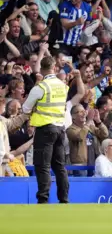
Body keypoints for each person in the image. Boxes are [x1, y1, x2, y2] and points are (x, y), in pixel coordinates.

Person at [21, 56, 70, 203]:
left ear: (41, 69)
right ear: (54, 67)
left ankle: (43, 198)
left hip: (45, 129)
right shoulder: (63, 85)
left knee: (42, 165)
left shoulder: (40, 87)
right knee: (60, 167)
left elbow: (25, 108)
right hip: (60, 129)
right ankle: (64, 199)